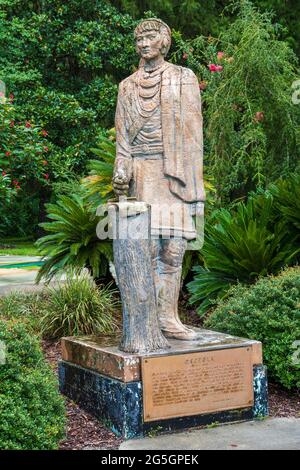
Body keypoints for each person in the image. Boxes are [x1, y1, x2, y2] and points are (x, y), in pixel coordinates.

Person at [113, 18, 205, 340]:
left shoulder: (183, 78)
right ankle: (147, 321)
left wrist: (197, 192)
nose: (143, 44)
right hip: (142, 176)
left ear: (164, 41)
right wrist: (120, 171)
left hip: (174, 176)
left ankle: (169, 318)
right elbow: (122, 141)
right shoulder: (126, 87)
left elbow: (194, 138)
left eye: (150, 37)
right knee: (146, 250)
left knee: (174, 251)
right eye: (139, 39)